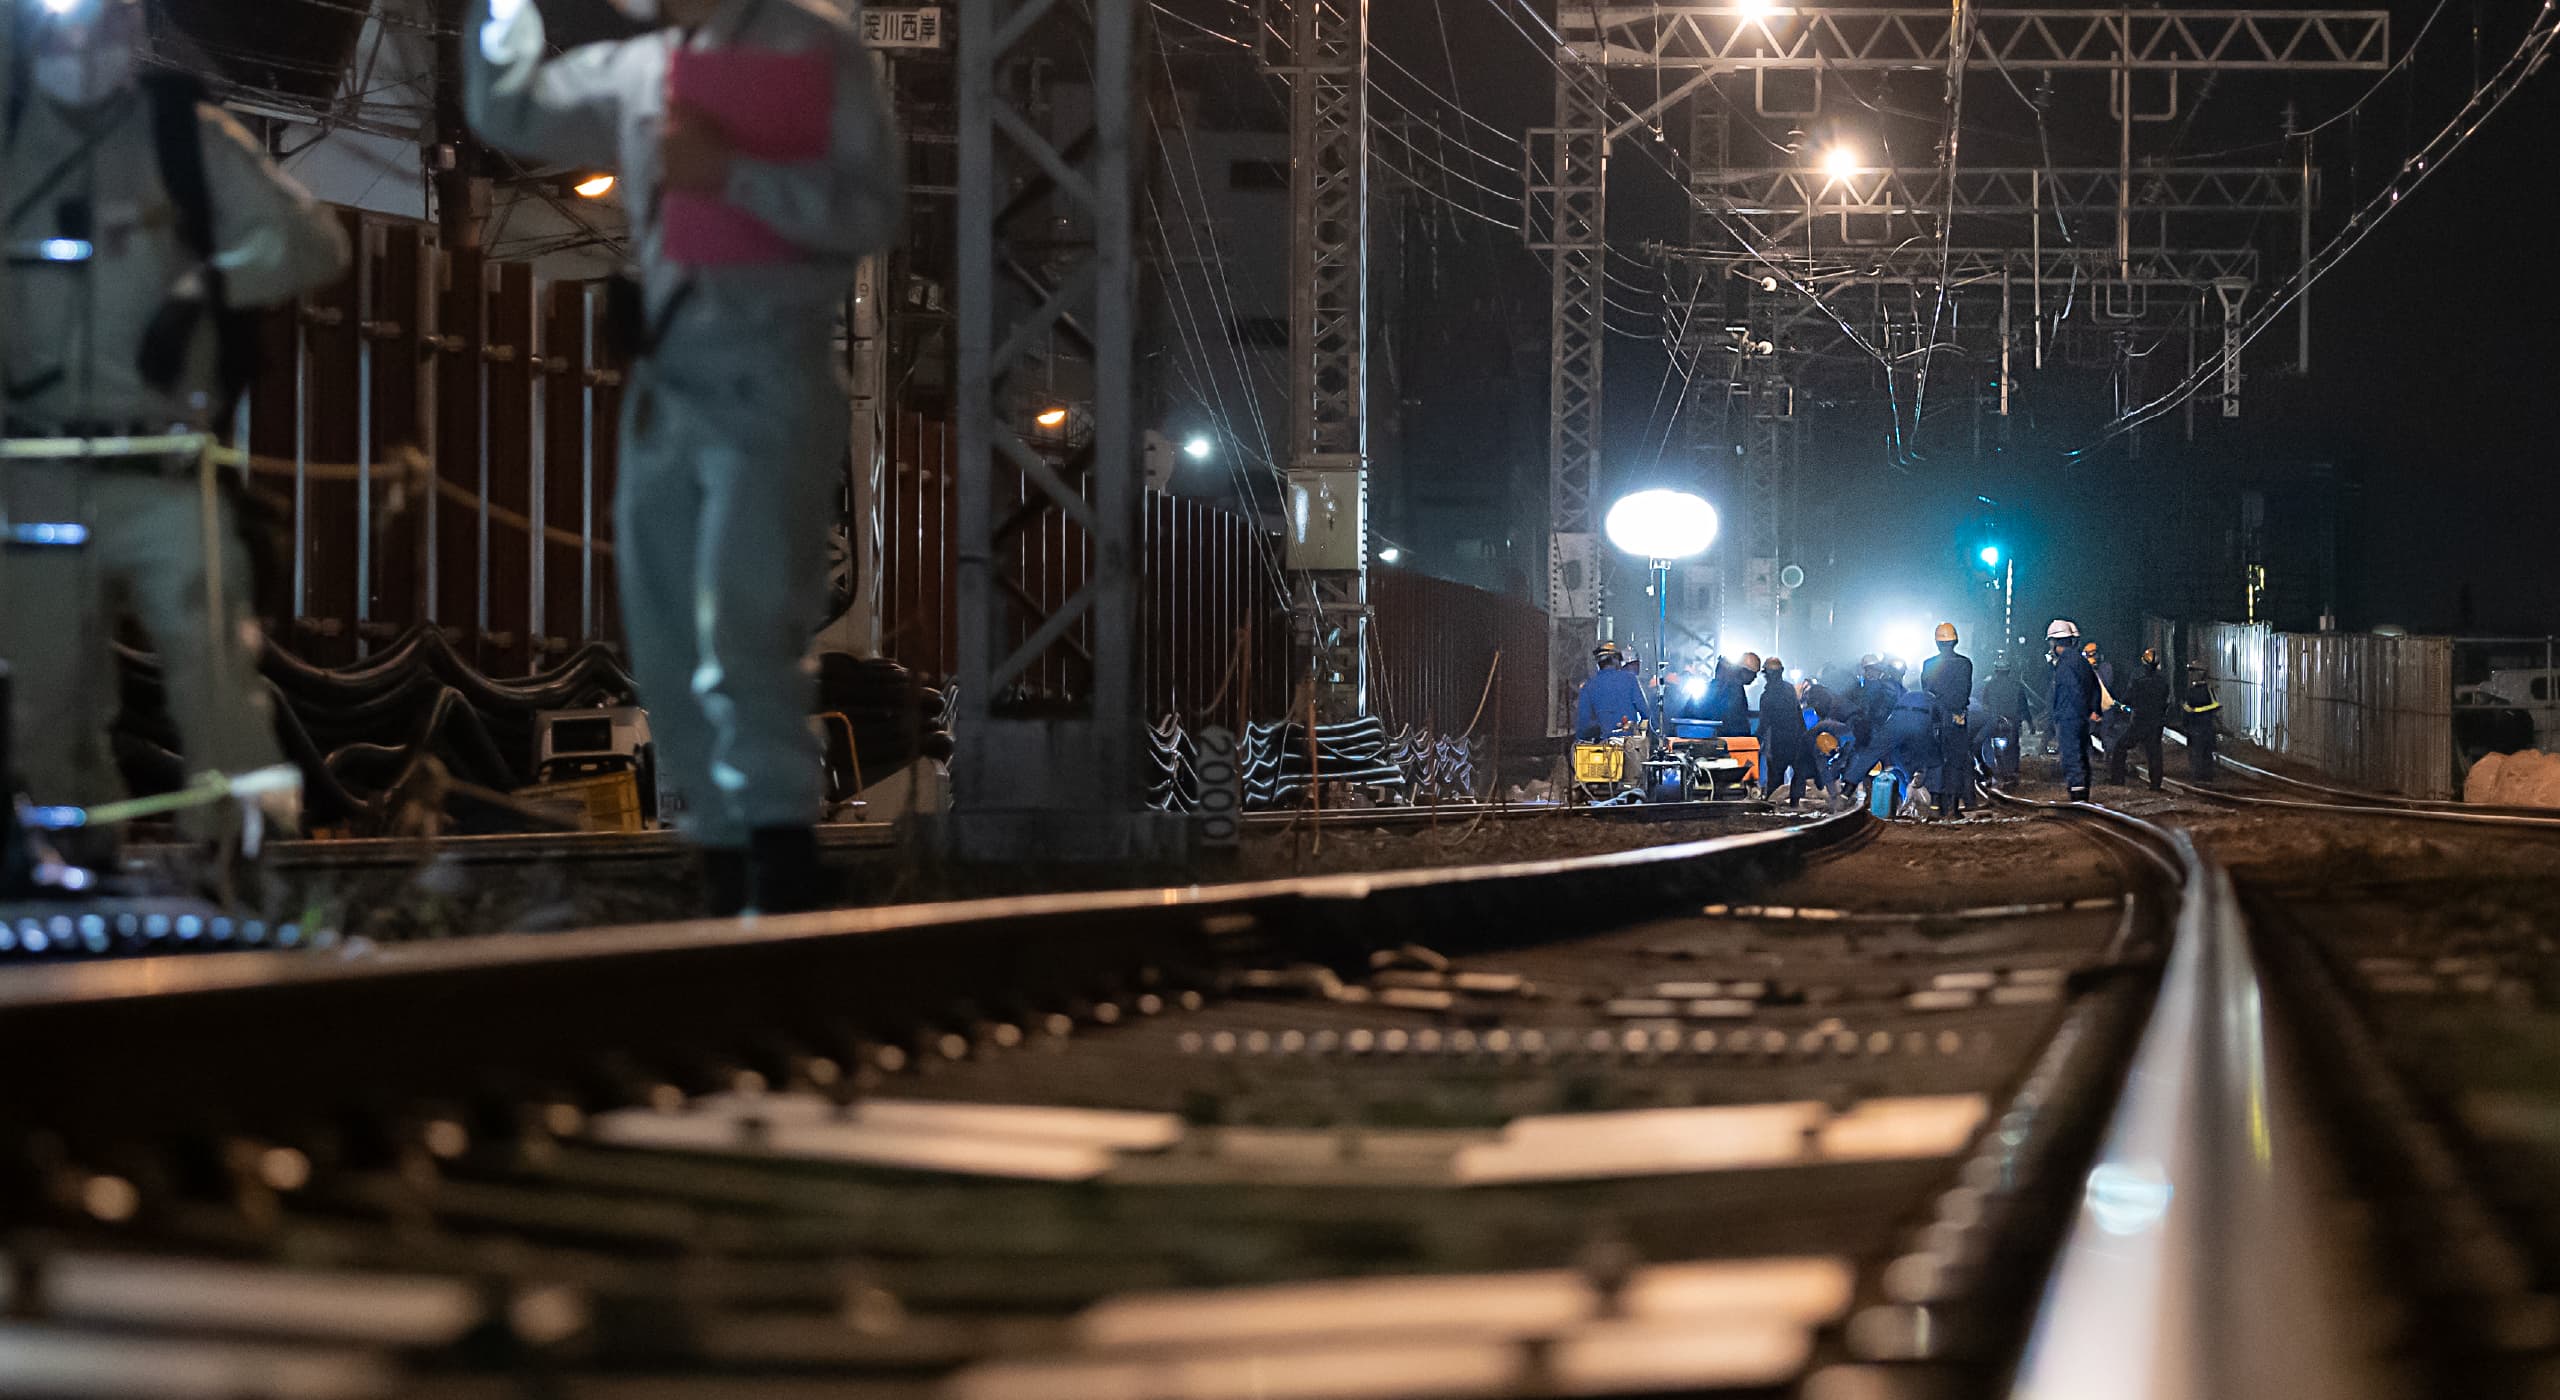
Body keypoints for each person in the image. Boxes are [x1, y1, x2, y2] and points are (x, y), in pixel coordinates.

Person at [466, 0, 901, 914]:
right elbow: (508, 114)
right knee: (665, 627)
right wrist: (502, 15)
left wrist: (732, 175)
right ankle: (721, 848)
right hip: (671, 376)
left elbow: (867, 209)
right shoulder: (640, 69)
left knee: (745, 615)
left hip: (772, 365)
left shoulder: (812, 51)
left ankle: (775, 842)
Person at [1, 0, 350, 850]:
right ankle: (66, 868)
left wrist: (208, 282)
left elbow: (315, 245)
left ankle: (243, 866)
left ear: (129, 30)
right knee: (45, 698)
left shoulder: (183, 140)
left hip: (163, 466)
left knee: (216, 684)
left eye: (98, 23)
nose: (80, 44)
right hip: (38, 470)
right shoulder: (9, 145)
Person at [1919, 622, 1975, 817]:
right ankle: (1952, 807)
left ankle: (1935, 805)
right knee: (1956, 761)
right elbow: (1965, 690)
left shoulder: (1928, 664)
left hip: (1935, 718)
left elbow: (1926, 690)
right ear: (1955, 640)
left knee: (1935, 759)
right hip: (1957, 717)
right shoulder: (1965, 663)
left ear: (1937, 642)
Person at [2047, 619, 2101, 803]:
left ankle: (2077, 797)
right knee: (2082, 755)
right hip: (2080, 718)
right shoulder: (2082, 662)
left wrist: (2076, 712)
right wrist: (2092, 710)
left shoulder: (2065, 665)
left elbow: (2074, 690)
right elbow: (2096, 688)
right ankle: (2083, 794)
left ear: (2055, 643)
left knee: (2071, 756)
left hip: (2069, 718)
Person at [2109, 647, 2171, 791]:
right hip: (2156, 723)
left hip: (2139, 722)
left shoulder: (2137, 680)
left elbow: (2127, 698)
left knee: (2120, 747)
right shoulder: (2163, 681)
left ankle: (2117, 779)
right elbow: (2165, 699)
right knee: (2154, 753)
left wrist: (2121, 706)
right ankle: (2155, 785)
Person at [1975, 652, 2040, 788]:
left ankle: (2002, 773)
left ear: (1996, 669)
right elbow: (2023, 706)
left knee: (1998, 748)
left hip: (1995, 722)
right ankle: (2012, 773)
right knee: (2012, 748)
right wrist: (2030, 722)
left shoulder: (1989, 686)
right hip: (2012, 722)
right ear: (2008, 670)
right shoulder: (2017, 685)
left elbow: (1985, 705)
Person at [1756, 656, 1811, 806]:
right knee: (1798, 773)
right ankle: (1794, 803)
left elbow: (1764, 722)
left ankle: (1773, 804)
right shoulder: (1789, 689)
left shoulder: (1767, 696)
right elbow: (1798, 714)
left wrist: (1756, 740)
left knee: (1775, 776)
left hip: (1777, 743)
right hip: (1795, 739)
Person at [1575, 640, 1646, 742]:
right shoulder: (1630, 680)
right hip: (1628, 746)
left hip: (1599, 747)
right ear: (1616, 660)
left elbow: (1583, 724)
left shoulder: (1588, 686)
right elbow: (1645, 713)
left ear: (1599, 663)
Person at [2182, 662, 2223, 783]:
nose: (2192, 674)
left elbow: (2216, 705)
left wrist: (2196, 711)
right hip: (2195, 727)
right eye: (2191, 671)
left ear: (2201, 673)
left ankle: (2206, 777)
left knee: (2205, 753)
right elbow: (2186, 707)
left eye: (2194, 671)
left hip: (2205, 726)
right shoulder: (2191, 690)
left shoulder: (2208, 689)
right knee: (2196, 753)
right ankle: (2198, 777)